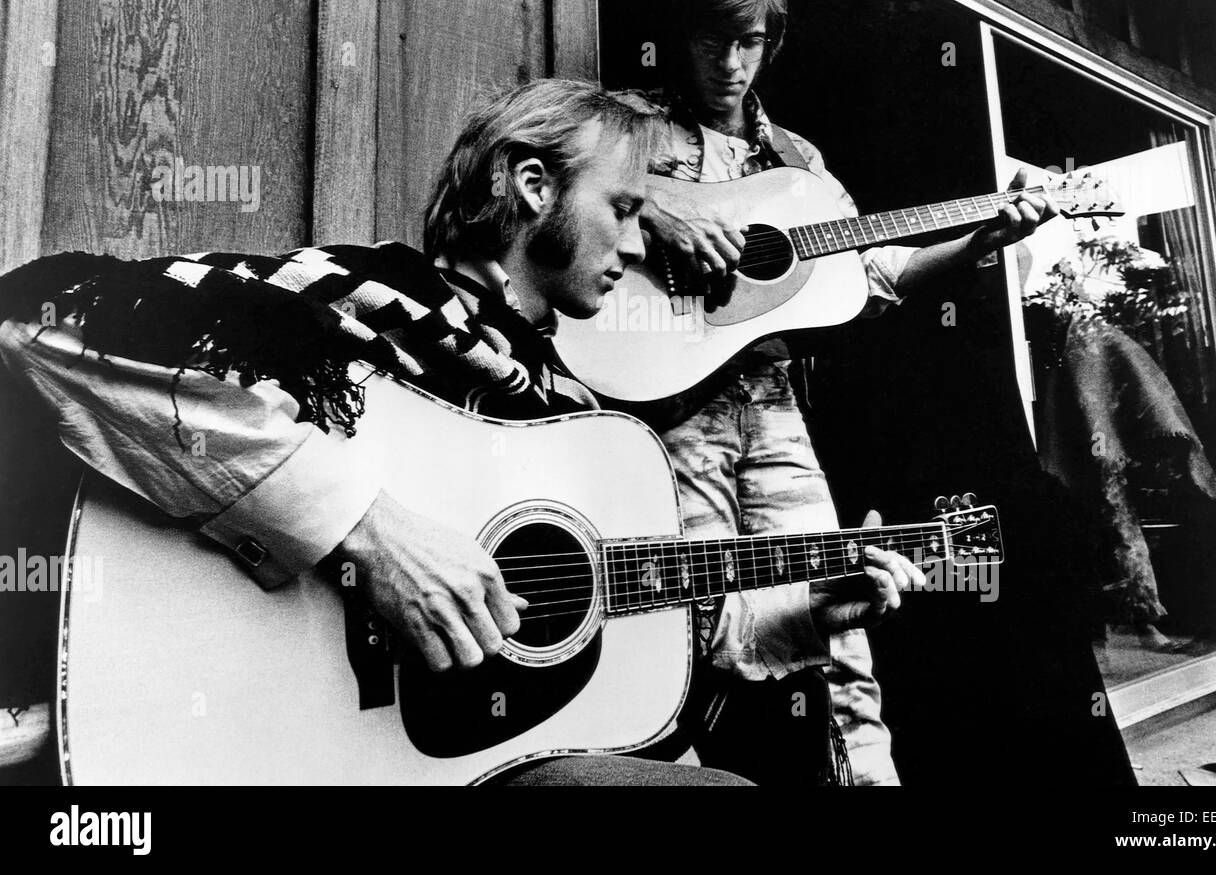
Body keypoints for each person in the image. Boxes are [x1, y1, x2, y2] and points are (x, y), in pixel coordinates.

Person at [0, 78, 924, 786]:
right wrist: (366, 528)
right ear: (530, 187)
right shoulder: (363, 300)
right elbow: (39, 322)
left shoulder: (578, 420)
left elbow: (664, 627)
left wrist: (811, 613)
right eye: (625, 210)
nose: (641, 248)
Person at [635, 0, 1058, 785]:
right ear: (684, 34)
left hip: (773, 401)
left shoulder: (801, 167)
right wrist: (660, 201)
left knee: (841, 608)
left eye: (750, 40)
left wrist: (984, 238)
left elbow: (878, 274)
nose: (730, 61)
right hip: (668, 402)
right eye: (714, 37)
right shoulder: (623, 126)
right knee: (688, 620)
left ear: (773, 41)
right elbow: (540, 177)